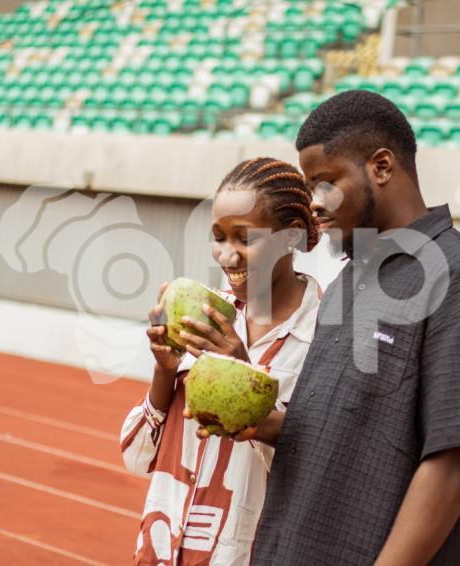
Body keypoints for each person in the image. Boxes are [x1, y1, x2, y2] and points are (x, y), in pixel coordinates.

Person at [196, 90, 460, 564]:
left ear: (381, 167)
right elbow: (338, 432)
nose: (313, 205)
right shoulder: (347, 282)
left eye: (324, 182)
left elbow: (454, 460)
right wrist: (261, 421)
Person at [120, 157, 321, 565]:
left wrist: (244, 372)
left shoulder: (326, 335)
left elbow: (317, 459)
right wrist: (163, 371)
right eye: (219, 237)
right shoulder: (206, 320)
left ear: (290, 238)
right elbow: (137, 455)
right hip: (161, 551)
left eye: (244, 239)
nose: (227, 257)